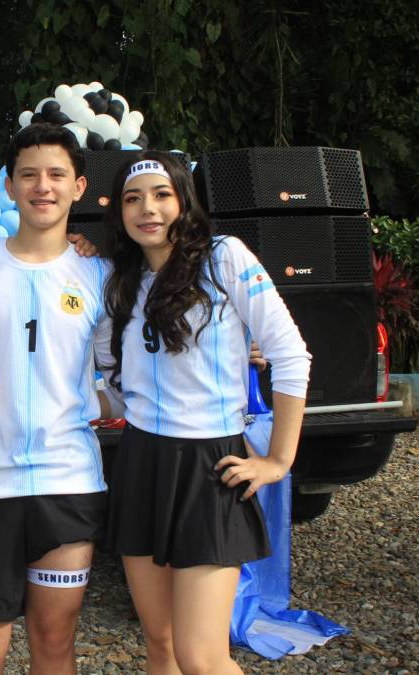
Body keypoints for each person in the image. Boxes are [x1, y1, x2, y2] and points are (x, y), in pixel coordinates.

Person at [99, 150, 311, 674]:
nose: (147, 208)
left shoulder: (224, 257)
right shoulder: (121, 281)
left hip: (210, 466)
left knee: (202, 658)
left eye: (161, 195)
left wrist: (279, 459)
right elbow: (120, 387)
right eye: (132, 199)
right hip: (142, 462)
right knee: (161, 643)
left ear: (183, 202)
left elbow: (289, 354)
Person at [0, 123, 118, 675]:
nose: (43, 186)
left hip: (68, 483)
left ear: (78, 187)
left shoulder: (99, 272)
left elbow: (123, 373)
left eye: (57, 174)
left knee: (54, 642)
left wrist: (96, 405)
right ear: (10, 186)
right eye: (29, 174)